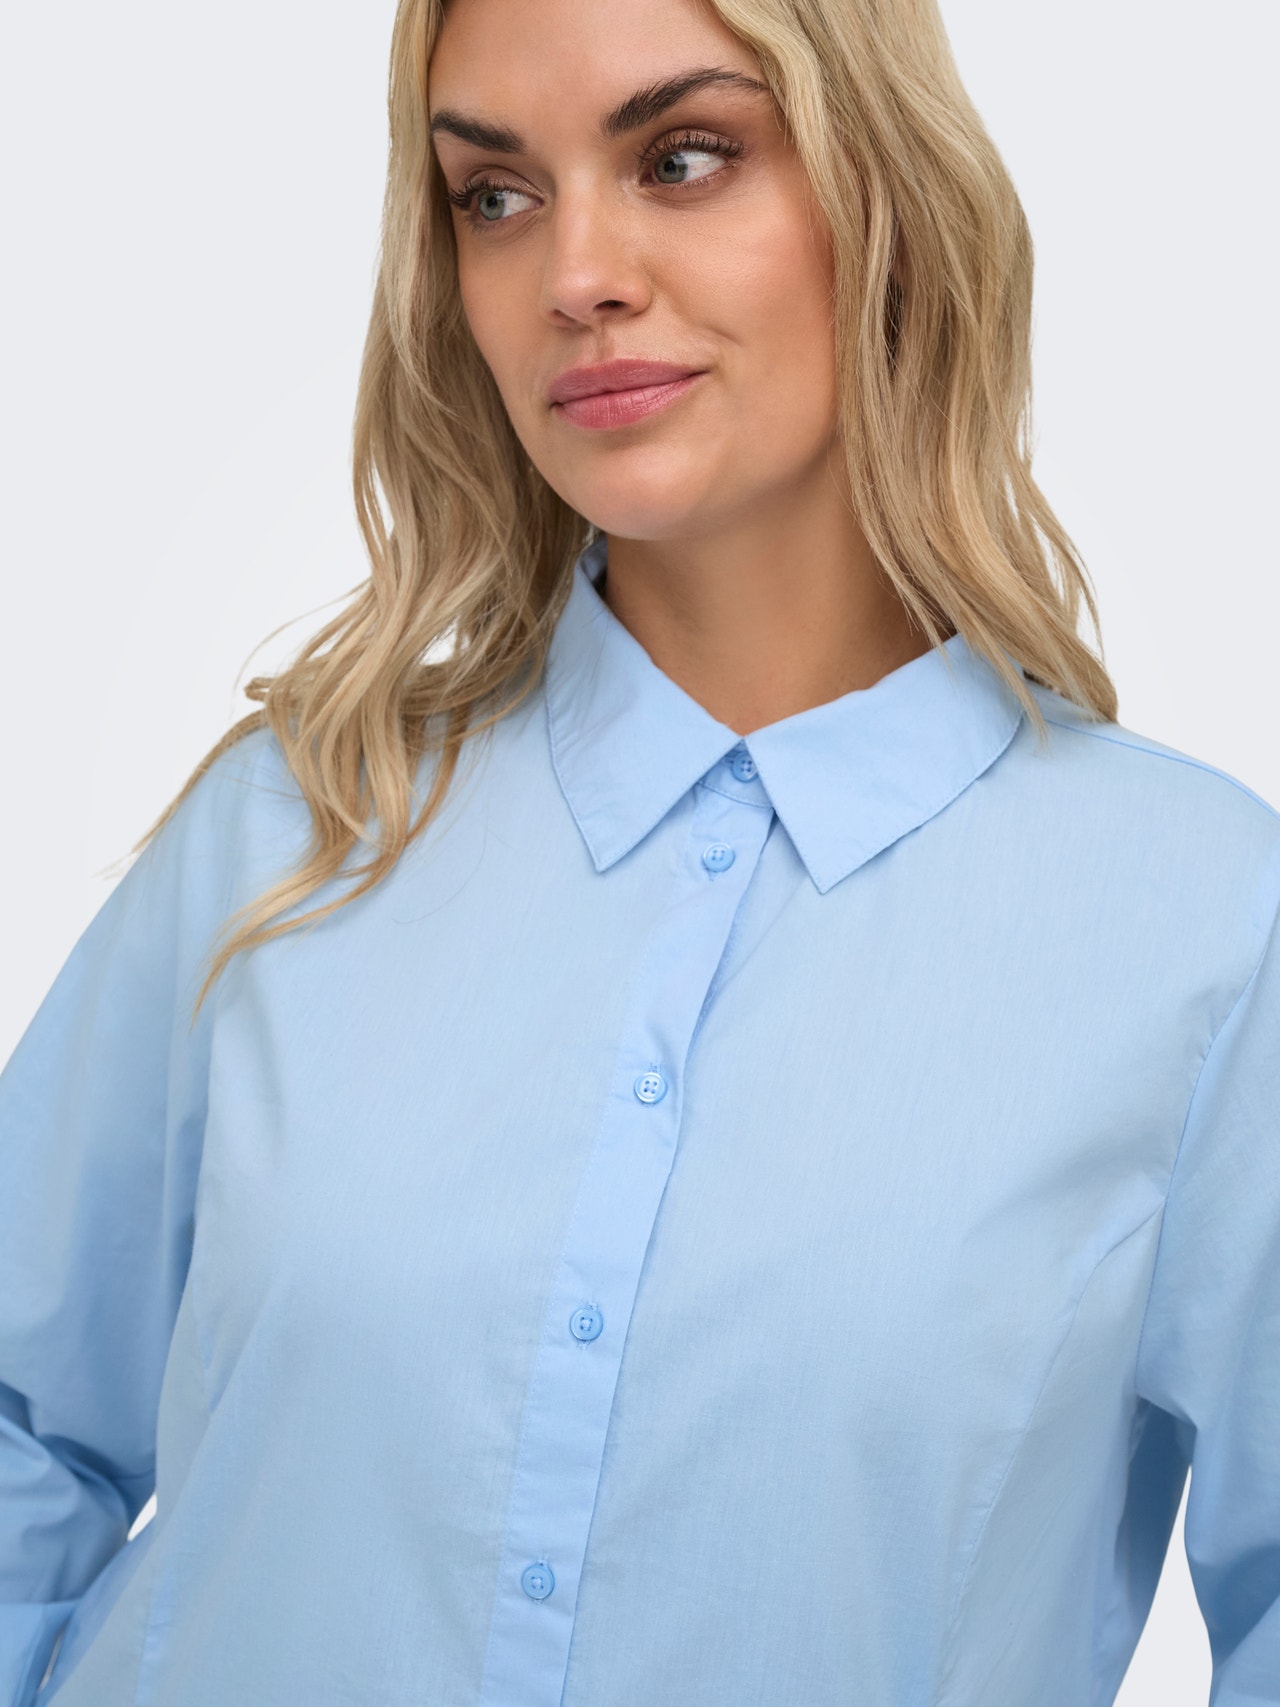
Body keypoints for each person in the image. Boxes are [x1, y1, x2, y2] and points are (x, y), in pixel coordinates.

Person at [1, 0, 1276, 1701]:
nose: (576, 274)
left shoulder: (1202, 927)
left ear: (886, 192)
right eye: (496, 195)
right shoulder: (296, 827)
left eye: (684, 157)